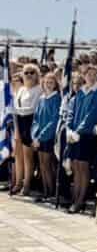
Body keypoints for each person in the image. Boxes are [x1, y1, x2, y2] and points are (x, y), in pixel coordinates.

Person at [67, 65, 97, 214]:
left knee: (83, 166)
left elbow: (92, 115)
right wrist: (69, 129)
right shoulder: (80, 93)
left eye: (94, 74)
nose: (91, 76)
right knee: (75, 166)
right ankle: (74, 198)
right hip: (74, 134)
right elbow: (71, 112)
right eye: (89, 74)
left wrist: (78, 131)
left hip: (86, 135)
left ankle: (80, 200)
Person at [12, 64, 42, 198]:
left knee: (28, 157)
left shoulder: (38, 89)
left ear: (36, 75)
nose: (29, 75)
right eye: (26, 72)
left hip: (31, 122)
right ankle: (18, 183)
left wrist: (19, 111)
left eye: (32, 72)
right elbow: (15, 107)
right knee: (18, 156)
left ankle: (27, 184)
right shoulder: (21, 89)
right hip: (19, 122)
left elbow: (33, 108)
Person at [30, 73, 61, 203]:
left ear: (55, 84)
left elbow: (54, 121)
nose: (48, 84)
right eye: (46, 82)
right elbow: (36, 119)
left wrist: (41, 136)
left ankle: (51, 192)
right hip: (39, 138)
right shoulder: (42, 98)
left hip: (48, 137)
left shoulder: (56, 98)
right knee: (42, 165)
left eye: (51, 82)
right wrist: (35, 136)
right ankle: (45, 191)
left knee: (48, 165)